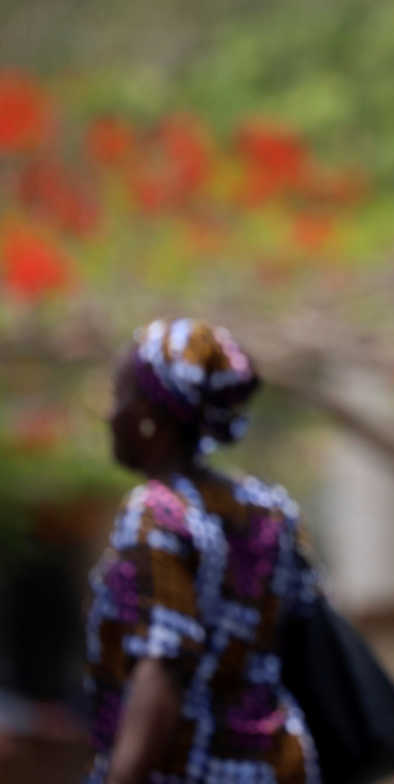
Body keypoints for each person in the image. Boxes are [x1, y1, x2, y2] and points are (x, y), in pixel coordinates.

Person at [85, 318, 320, 784]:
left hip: (188, 768)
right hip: (279, 767)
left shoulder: (157, 512)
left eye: (120, 396)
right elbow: (300, 632)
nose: (110, 414)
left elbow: (162, 668)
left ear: (152, 418)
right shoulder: (270, 511)